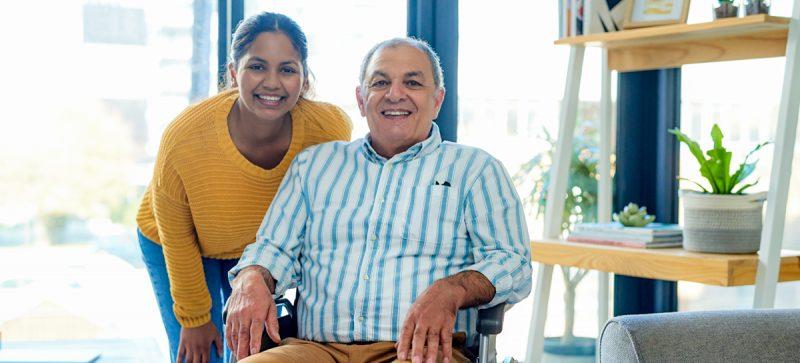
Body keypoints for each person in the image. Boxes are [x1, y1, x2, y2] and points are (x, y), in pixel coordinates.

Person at [224, 37, 532, 363]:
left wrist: (451, 290)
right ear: (361, 99)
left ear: (437, 99)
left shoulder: (475, 170)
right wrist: (251, 277)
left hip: (419, 351)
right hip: (313, 350)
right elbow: (274, 248)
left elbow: (512, 262)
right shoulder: (314, 166)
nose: (394, 93)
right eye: (380, 82)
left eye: (412, 83)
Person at [136, 12, 352, 363]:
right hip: (179, 241)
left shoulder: (329, 130)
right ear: (234, 73)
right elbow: (175, 231)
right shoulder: (185, 136)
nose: (272, 82)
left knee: (250, 353)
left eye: (287, 69)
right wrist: (194, 319)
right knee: (202, 352)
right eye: (257, 67)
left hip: (255, 252)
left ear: (304, 78)